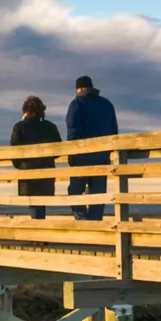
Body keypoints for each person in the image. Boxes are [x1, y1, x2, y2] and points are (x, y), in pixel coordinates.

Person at [65, 75, 118, 220]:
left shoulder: (77, 104)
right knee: (98, 193)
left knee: (75, 191)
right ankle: (96, 223)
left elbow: (73, 132)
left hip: (81, 157)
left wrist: (72, 155)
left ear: (79, 89)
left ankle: (83, 221)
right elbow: (114, 131)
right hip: (102, 157)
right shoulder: (107, 104)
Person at [10, 95, 62, 219]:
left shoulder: (20, 127)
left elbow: (14, 150)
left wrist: (19, 165)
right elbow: (58, 149)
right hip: (47, 169)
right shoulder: (50, 127)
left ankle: (37, 233)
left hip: (28, 171)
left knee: (34, 204)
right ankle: (39, 231)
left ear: (25, 111)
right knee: (40, 204)